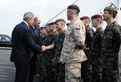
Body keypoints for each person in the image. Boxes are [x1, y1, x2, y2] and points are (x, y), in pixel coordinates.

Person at [10, 12, 44, 82]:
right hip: (23, 57)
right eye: (33, 20)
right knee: (22, 77)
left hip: (17, 56)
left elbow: (13, 40)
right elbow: (31, 44)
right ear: (29, 19)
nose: (33, 21)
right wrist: (41, 48)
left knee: (19, 76)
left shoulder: (17, 26)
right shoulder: (26, 29)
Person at [60, 4, 87, 82]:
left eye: (67, 12)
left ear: (70, 12)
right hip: (70, 59)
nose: (66, 14)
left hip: (74, 59)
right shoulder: (73, 23)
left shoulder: (76, 24)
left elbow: (81, 41)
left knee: (73, 80)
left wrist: (82, 47)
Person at [102, 7, 121, 82]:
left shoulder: (116, 28)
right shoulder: (106, 28)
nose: (103, 15)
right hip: (104, 64)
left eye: (105, 13)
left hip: (112, 65)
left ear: (111, 14)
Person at [90, 14, 103, 82]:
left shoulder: (101, 32)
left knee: (98, 77)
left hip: (99, 60)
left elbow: (102, 47)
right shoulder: (96, 32)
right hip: (95, 60)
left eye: (93, 21)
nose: (91, 22)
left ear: (98, 21)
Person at [80, 16, 94, 82]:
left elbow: (93, 42)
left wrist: (88, 48)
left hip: (88, 55)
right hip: (84, 55)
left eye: (81, 22)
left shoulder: (89, 30)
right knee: (84, 73)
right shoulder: (84, 30)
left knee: (88, 74)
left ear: (86, 22)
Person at [27, 17, 41, 82]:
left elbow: (38, 41)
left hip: (35, 53)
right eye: (38, 23)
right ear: (34, 21)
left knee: (33, 69)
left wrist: (39, 51)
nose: (39, 25)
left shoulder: (38, 29)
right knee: (27, 70)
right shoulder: (28, 29)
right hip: (28, 52)